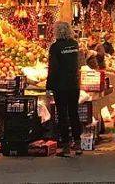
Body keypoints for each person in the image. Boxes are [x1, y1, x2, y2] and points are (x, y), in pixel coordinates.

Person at [47, 21, 83, 157]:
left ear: (56, 31)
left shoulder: (55, 47)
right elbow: (79, 63)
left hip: (60, 85)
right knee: (74, 113)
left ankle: (66, 147)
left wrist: (49, 86)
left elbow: (53, 68)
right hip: (74, 84)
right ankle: (78, 144)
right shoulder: (74, 45)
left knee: (62, 115)